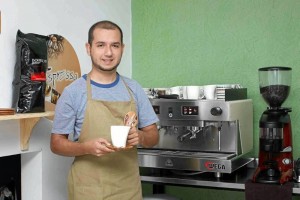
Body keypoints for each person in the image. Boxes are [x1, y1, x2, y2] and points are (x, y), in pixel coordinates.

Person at [50, 20, 159, 200]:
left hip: (128, 188)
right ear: (89, 48)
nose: (108, 53)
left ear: (122, 48)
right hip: (87, 189)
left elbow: (153, 136)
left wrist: (141, 137)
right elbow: (56, 144)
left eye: (114, 45)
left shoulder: (134, 88)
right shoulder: (73, 92)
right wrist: (86, 147)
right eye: (101, 45)